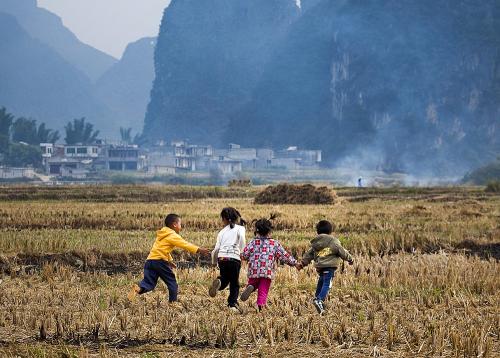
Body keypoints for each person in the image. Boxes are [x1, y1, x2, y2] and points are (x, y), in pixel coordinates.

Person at [128, 213, 210, 303]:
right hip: (159, 262)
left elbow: (161, 249)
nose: (180, 226)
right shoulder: (172, 235)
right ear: (174, 225)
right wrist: (198, 249)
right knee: (172, 283)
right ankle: (173, 303)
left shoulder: (162, 234)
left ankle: (138, 288)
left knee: (149, 283)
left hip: (150, 261)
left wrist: (169, 261)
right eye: (180, 224)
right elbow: (184, 244)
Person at [296, 220, 353, 314]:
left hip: (320, 267)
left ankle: (317, 298)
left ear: (317, 231)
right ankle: (319, 299)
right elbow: (342, 251)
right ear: (330, 231)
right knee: (327, 284)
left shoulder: (316, 243)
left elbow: (309, 254)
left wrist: (302, 264)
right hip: (329, 267)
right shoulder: (333, 241)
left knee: (321, 282)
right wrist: (350, 259)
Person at [240, 218, 297, 311]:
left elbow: (245, 255)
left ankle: (251, 287)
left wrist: (242, 256)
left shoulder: (253, 242)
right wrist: (294, 263)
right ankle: (260, 305)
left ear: (257, 231)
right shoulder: (274, 243)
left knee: (253, 283)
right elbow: (284, 256)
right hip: (267, 271)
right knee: (263, 289)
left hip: (254, 270)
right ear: (269, 230)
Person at [208, 207, 246, 312]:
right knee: (234, 282)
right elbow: (242, 239)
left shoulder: (221, 232)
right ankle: (232, 304)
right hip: (234, 258)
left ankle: (219, 282)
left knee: (225, 277)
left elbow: (216, 249)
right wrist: (242, 252)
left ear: (224, 219)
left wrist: (213, 262)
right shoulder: (240, 228)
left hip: (222, 258)